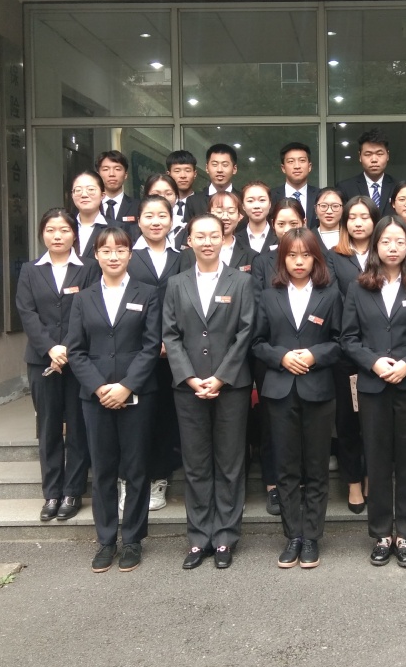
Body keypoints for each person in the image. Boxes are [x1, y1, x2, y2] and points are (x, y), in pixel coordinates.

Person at [341, 215, 406, 568]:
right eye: (386, 241)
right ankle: (382, 533)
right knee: (377, 458)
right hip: (373, 384)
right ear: (375, 246)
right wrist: (374, 362)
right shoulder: (358, 287)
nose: (393, 248)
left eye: (400, 241)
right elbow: (348, 338)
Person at [66, 227, 162, 573]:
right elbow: (76, 351)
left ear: (129, 254)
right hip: (95, 398)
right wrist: (99, 388)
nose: (113, 256)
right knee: (104, 469)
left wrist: (126, 386)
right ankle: (106, 540)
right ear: (96, 255)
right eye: (105, 251)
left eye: (120, 250)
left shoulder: (147, 294)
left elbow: (151, 346)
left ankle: (133, 539)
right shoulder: (83, 298)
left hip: (138, 394)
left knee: (136, 468)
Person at [163, 214, 255, 568]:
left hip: (231, 386)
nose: (207, 242)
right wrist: (189, 377)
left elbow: (245, 332)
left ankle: (226, 538)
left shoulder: (241, 281)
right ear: (189, 241)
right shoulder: (176, 283)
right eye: (199, 236)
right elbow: (170, 335)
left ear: (223, 238)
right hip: (188, 389)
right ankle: (199, 537)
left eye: (213, 235)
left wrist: (220, 377)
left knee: (230, 463)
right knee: (196, 463)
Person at [252, 228, 343, 569]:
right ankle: (293, 535)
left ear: (316, 258)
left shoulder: (330, 295)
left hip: (318, 390)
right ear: (283, 259)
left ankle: (312, 537)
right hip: (279, 390)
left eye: (306, 255)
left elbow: (341, 341)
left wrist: (314, 355)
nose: (299, 261)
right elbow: (257, 342)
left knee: (317, 467)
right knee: (286, 467)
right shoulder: (268, 295)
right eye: (292, 255)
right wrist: (282, 357)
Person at [15, 208, 100, 523]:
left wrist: (68, 348)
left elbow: (91, 309)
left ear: (74, 234)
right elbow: (27, 313)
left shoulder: (89, 268)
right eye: (51, 230)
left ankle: (72, 491)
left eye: (64, 230)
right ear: (42, 234)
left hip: (78, 359)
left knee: (78, 425)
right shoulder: (30, 270)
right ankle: (51, 492)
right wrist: (50, 347)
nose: (57, 236)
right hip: (42, 360)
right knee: (49, 427)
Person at [250, 197, 308, 515]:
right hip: (271, 356)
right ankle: (273, 484)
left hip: (308, 354)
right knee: (272, 423)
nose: (287, 229)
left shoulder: (314, 256)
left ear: (304, 224)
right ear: (273, 226)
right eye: (281, 223)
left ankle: (301, 482)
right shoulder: (262, 261)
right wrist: (282, 354)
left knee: (305, 422)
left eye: (293, 223)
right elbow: (259, 309)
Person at [126, 195, 182, 513]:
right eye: (149, 215)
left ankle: (160, 477)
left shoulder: (182, 257)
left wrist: (168, 341)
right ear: (138, 220)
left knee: (166, 417)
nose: (156, 221)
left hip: (173, 354)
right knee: (135, 418)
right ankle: (131, 479)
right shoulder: (128, 256)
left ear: (171, 221)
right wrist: (151, 341)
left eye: (162, 215)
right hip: (136, 351)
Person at [327, 195, 381, 514]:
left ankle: (373, 476)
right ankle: (352, 483)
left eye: (365, 217)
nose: (358, 223)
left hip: (381, 350)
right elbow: (334, 300)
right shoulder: (334, 257)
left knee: (375, 422)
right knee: (348, 420)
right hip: (347, 350)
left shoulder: (385, 251)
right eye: (353, 217)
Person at [180, 191, 254, 272]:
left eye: (231, 212)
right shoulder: (189, 254)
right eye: (219, 212)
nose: (225, 217)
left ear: (240, 216)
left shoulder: (250, 255)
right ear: (209, 214)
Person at [337, 128, 397, 215]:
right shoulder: (345, 188)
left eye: (379, 154)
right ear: (360, 156)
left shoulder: (398, 188)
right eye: (368, 154)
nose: (374, 159)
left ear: (387, 155)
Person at [270, 142, 320, 228]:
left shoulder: (320, 196)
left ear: (309, 166)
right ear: (283, 168)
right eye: (291, 161)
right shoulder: (270, 197)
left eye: (302, 160)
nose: (297, 166)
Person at [184, 144, 238, 220]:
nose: (219, 170)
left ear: (234, 169)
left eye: (225, 165)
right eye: (214, 164)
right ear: (207, 168)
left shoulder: (243, 200)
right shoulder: (193, 201)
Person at [96, 150, 139, 231]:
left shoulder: (138, 206)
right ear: (98, 175)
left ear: (125, 175)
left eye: (117, 169)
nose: (112, 174)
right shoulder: (90, 206)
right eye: (106, 169)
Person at [70, 171, 108, 260]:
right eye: (78, 190)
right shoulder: (65, 228)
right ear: (72, 195)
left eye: (91, 189)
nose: (84, 195)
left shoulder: (117, 228)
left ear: (102, 195)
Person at [236, 181, 277, 254]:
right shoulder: (235, 239)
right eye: (250, 201)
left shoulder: (279, 236)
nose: (256, 206)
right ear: (243, 206)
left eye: (262, 200)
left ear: (270, 204)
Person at [166, 149, 197, 233]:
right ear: (168, 174)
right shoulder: (163, 203)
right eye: (177, 171)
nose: (183, 176)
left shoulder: (202, 204)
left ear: (195, 174)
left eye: (187, 171)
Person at [313, 187, 344, 253]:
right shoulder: (308, 238)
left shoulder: (351, 237)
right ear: (315, 209)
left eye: (335, 206)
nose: (329, 211)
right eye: (323, 206)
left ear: (343, 209)